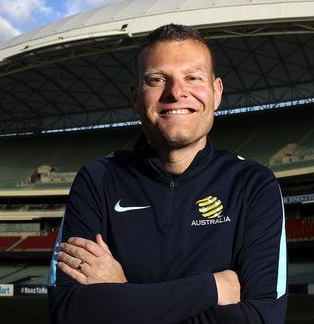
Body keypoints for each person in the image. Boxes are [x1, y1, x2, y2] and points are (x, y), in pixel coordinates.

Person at [48, 24, 287, 323]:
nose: (176, 93)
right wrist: (211, 287)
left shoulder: (253, 183)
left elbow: (263, 318)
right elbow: (69, 312)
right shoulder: (97, 179)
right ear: (136, 96)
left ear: (216, 92)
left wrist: (122, 292)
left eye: (193, 78)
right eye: (157, 79)